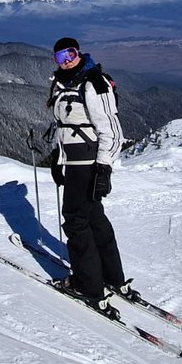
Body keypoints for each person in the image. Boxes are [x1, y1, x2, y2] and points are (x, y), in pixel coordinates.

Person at [46, 36, 135, 312]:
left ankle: (88, 285)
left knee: (75, 222)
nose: (66, 60)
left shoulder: (93, 83)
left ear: (79, 52)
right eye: (60, 57)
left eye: (70, 54)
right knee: (94, 218)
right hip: (72, 163)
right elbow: (62, 126)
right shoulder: (62, 83)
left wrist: (104, 167)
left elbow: (112, 131)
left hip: (87, 164)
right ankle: (112, 277)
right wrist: (56, 159)